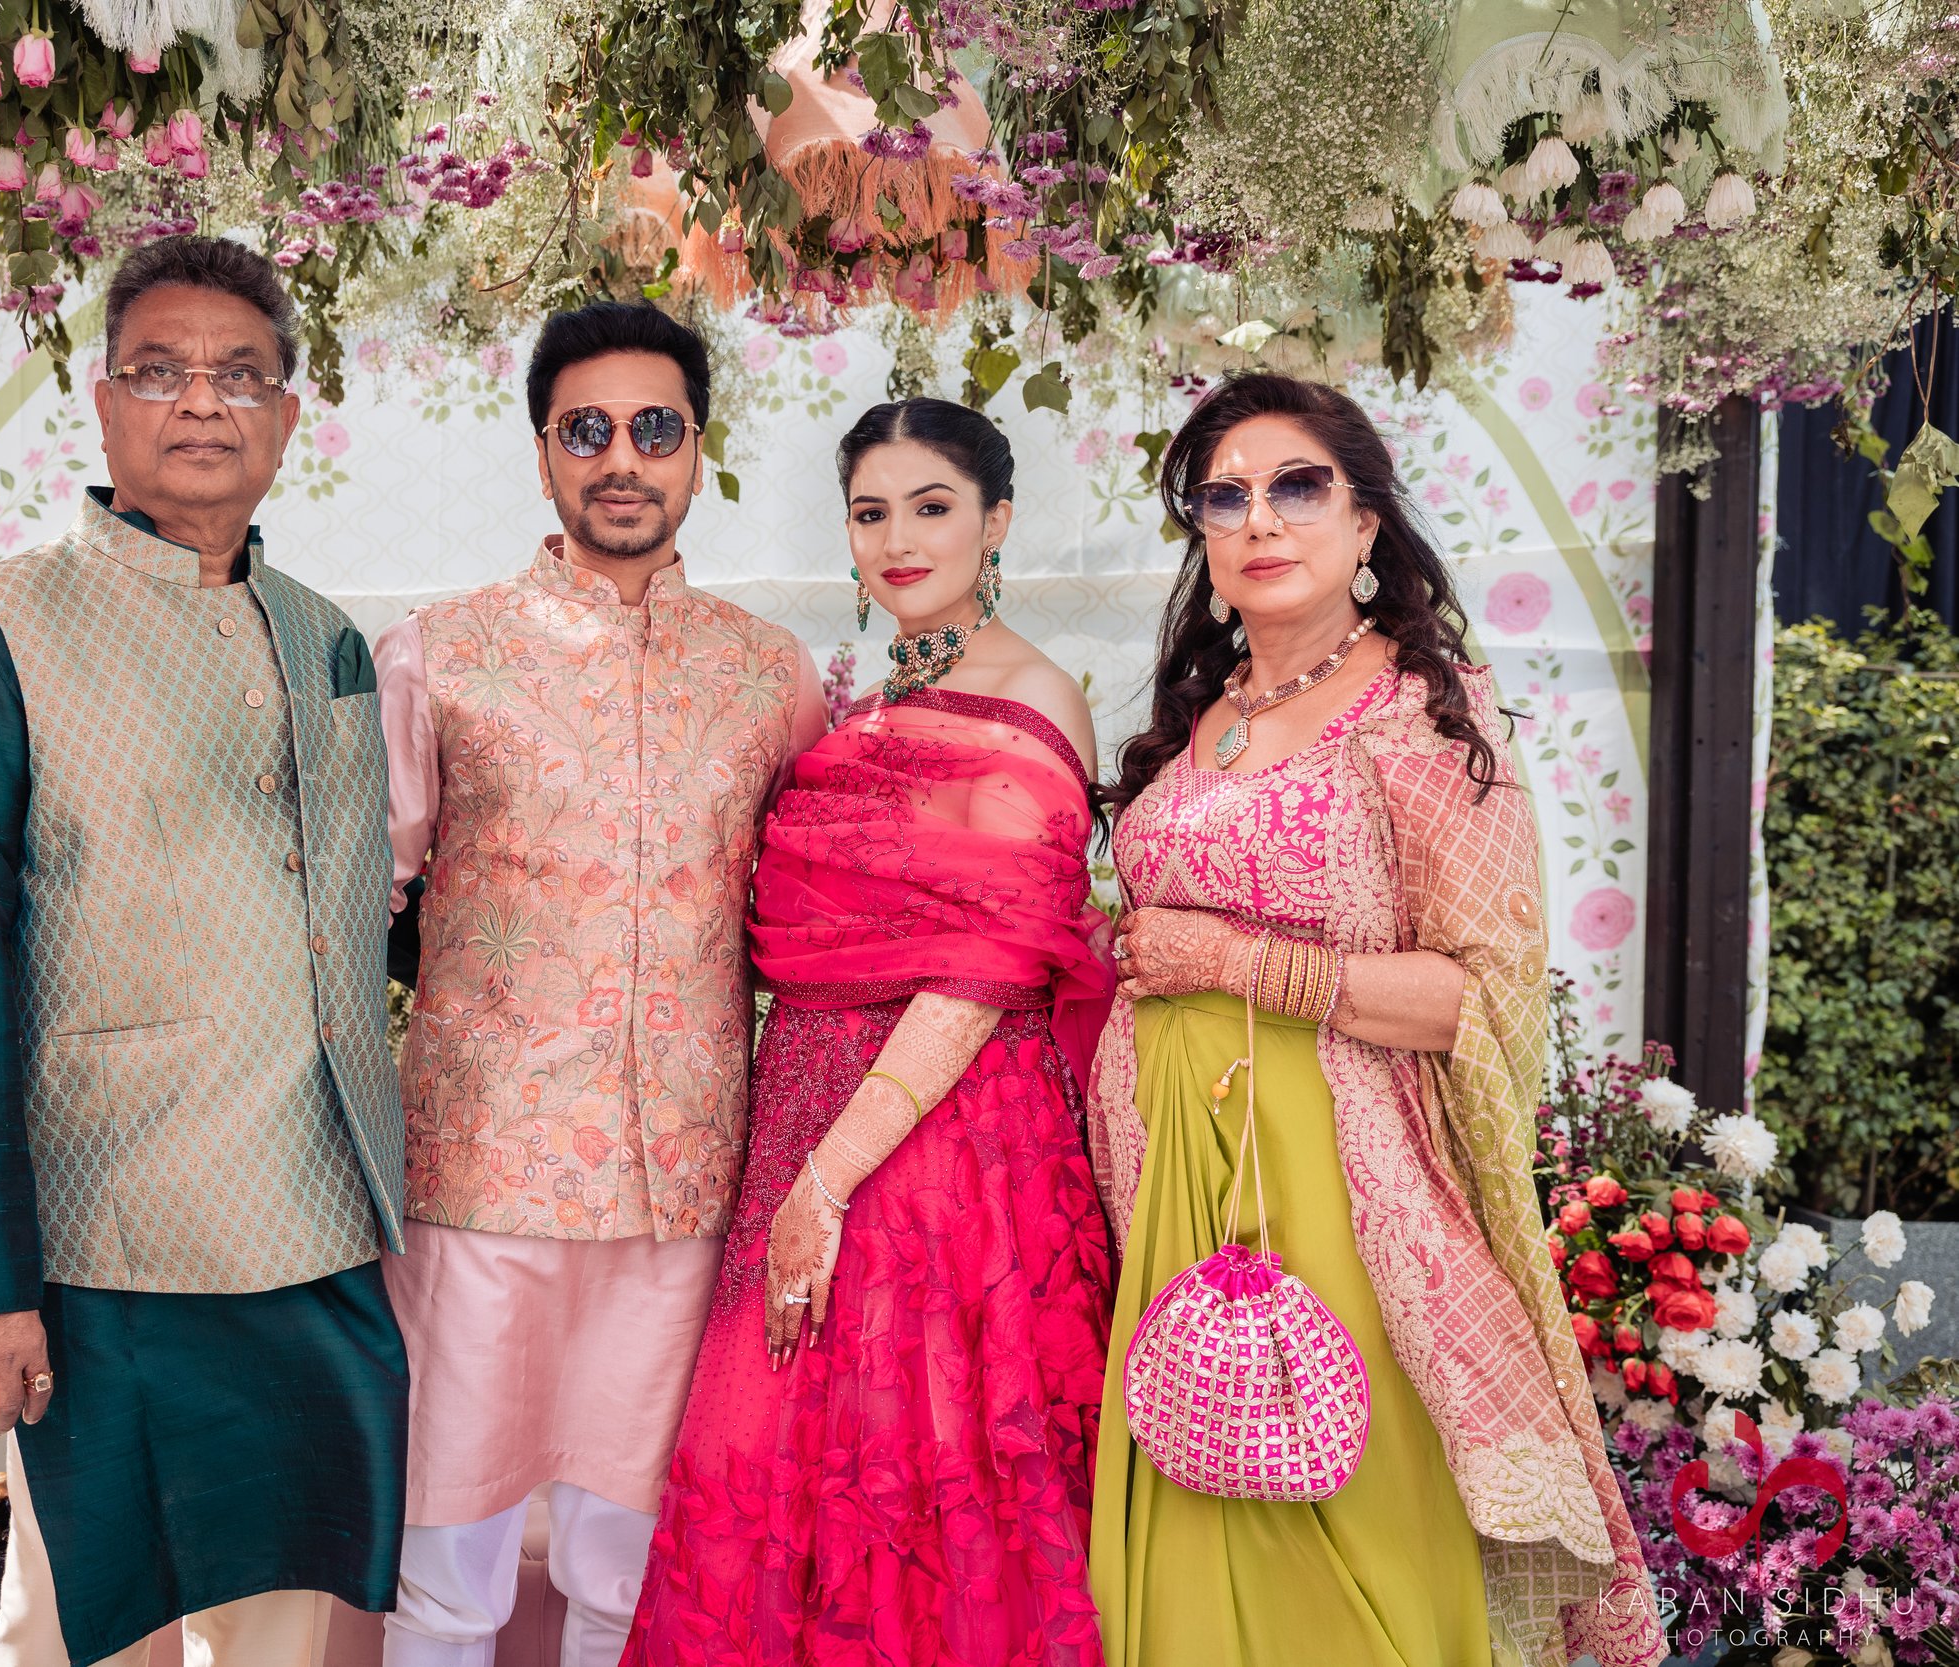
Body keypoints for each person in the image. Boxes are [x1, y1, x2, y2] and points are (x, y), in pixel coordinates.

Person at [1082, 371, 1665, 1667]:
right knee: (1192, 1497)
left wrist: (1240, 961)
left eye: (1299, 485)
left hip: (1336, 1176)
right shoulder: (1208, 711)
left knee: (1342, 1499)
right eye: (1224, 495)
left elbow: (1480, 989)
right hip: (1175, 1176)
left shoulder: (1417, 708)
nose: (1260, 519)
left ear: (1366, 524)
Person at [0, 234, 410, 1667]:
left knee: (286, 1628)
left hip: (309, 1232)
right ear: (105, 405)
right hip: (104, 1243)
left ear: (288, 418)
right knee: (76, 1627)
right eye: (161, 370)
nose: (202, 402)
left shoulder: (332, 644)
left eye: (241, 374)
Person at [619, 398, 1118, 1666]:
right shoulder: (863, 701)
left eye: (932, 505)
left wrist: (827, 1182)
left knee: (919, 1479)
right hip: (809, 1118)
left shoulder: (1033, 694)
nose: (898, 537)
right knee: (777, 1471)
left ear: (996, 519)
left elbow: (984, 967)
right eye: (869, 510)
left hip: (940, 1150)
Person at [373, 301, 829, 1667]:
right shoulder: (439, 652)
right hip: (482, 1175)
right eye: (587, 429)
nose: (620, 458)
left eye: (654, 427)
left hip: (684, 1181)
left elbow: (806, 917)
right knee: (447, 1565)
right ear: (542, 454)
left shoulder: (766, 674)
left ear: (698, 450)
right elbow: (353, 905)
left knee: (635, 1573)